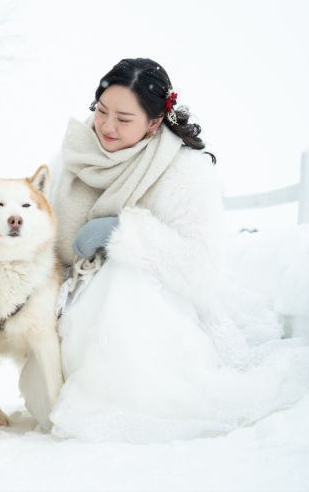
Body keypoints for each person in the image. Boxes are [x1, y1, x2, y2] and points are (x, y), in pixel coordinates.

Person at [20, 57, 309, 442]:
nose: (106, 126)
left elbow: (202, 266)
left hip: (155, 311)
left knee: (122, 274)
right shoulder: (72, 156)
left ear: (155, 122)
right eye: (102, 111)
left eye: (124, 119)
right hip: (69, 300)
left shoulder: (182, 170)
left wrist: (127, 232)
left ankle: (133, 394)